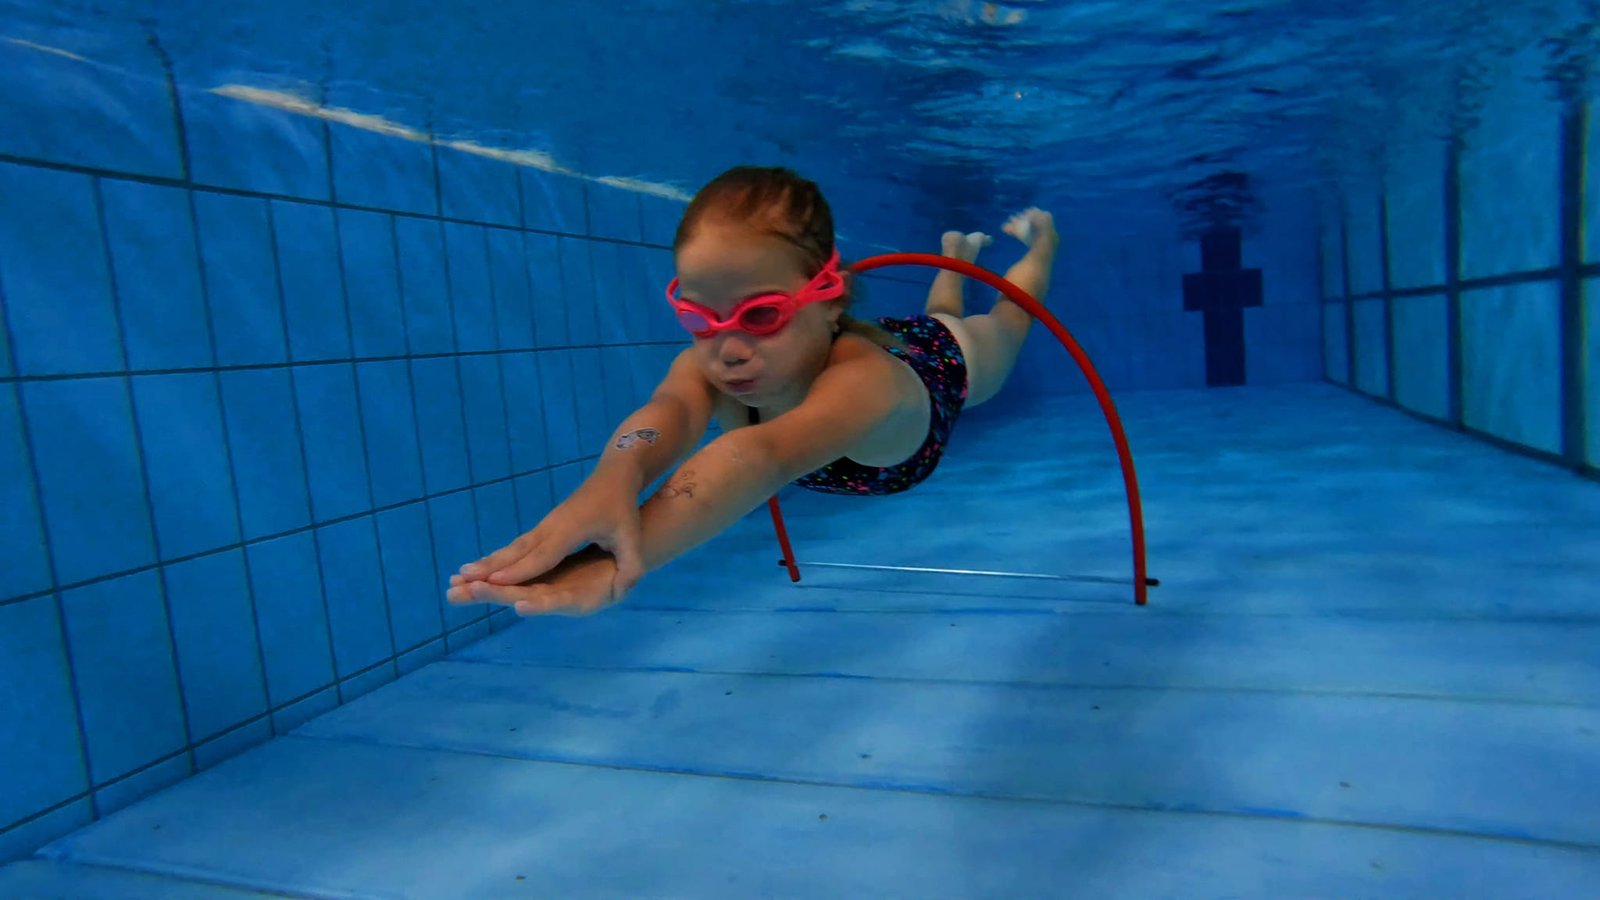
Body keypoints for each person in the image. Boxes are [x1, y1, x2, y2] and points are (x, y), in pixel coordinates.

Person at [447, 165, 1058, 616]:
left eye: (761, 315)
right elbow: (669, 410)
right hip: (869, 338)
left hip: (943, 365)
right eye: (699, 318)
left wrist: (621, 559)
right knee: (939, 304)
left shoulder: (864, 383)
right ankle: (953, 253)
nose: (728, 349)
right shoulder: (721, 362)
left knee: (1003, 321)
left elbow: (758, 456)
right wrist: (614, 477)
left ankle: (1041, 243)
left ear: (831, 299)